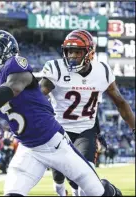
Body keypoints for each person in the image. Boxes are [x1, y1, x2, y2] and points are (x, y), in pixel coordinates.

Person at [0, 30, 122, 196]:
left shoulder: (18, 69)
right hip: (28, 150)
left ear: (8, 52)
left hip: (56, 144)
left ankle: (110, 190)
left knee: (97, 193)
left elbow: (6, 93)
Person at [39, 29, 135, 196]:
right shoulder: (57, 69)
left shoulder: (102, 71)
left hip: (85, 130)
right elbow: (37, 96)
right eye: (69, 51)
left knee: (86, 184)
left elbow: (120, 102)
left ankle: (110, 191)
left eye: (77, 52)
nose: (72, 56)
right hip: (58, 131)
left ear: (90, 53)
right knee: (58, 181)